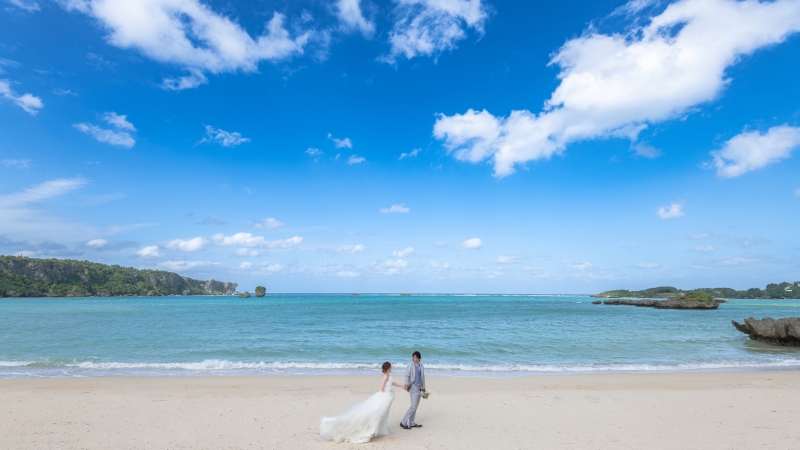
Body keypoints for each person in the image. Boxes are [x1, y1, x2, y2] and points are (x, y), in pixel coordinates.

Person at [320, 362, 404, 443]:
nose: (392, 368)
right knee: (378, 413)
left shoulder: (389, 375)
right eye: (391, 367)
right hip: (385, 397)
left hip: (388, 397)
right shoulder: (385, 376)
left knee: (384, 414)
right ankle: (374, 429)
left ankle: (381, 430)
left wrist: (401, 386)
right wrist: (387, 394)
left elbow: (392, 382)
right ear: (388, 368)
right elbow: (381, 389)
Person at [400, 351, 425, 429]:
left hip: (420, 388)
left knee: (416, 406)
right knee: (413, 407)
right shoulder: (410, 365)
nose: (415, 359)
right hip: (413, 387)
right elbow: (407, 376)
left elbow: (423, 378)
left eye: (417, 358)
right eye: (414, 358)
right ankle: (403, 422)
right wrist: (406, 385)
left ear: (419, 358)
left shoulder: (422, 366)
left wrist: (423, 389)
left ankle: (412, 422)